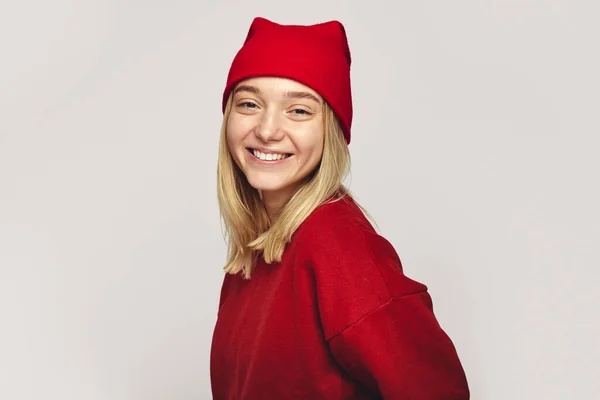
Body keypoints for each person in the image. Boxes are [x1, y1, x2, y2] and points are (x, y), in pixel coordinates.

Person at [210, 17, 470, 399]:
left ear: (331, 129)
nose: (267, 130)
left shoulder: (335, 244)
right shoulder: (256, 251)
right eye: (249, 103)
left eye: (298, 110)